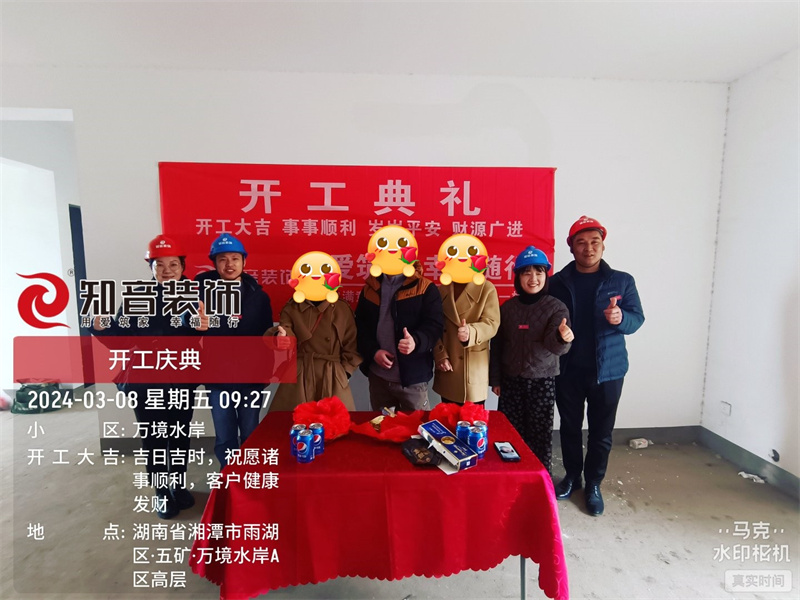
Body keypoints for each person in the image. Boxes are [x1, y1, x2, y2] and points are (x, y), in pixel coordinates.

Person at [92, 235, 207, 519]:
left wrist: (203, 326)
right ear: (151, 267)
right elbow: (120, 340)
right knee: (154, 438)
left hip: (182, 379)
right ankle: (161, 492)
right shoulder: (137, 297)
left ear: (183, 267)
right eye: (160, 265)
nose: (167, 270)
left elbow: (202, 329)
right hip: (146, 382)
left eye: (173, 264)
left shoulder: (194, 296)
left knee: (179, 435)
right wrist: (103, 328)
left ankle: (177, 485)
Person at [549, 216, 644, 516]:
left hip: (609, 371)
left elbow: (637, 319)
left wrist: (621, 318)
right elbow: (546, 321)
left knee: (601, 433)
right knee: (569, 428)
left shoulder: (622, 281)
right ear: (571, 247)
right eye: (581, 243)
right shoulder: (557, 283)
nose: (588, 248)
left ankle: (593, 484)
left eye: (594, 242)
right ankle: (572, 477)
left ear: (603, 246)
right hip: (568, 370)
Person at [489, 246, 573, 474]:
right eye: (526, 272)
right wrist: (495, 379)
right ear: (518, 277)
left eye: (539, 272)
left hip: (541, 382)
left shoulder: (556, 307)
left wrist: (562, 337)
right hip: (510, 381)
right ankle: (510, 477)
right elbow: (497, 345)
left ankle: (538, 479)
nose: (533, 278)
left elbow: (554, 346)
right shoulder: (508, 308)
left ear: (546, 275)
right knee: (509, 435)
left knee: (539, 435)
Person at [196, 234, 273, 468]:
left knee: (250, 432)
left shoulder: (259, 297)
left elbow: (266, 336)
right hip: (218, 378)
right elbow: (186, 324)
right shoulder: (200, 294)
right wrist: (193, 322)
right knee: (225, 435)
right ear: (214, 263)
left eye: (235, 258)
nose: (229, 264)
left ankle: (249, 475)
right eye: (222, 259)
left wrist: (266, 373)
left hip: (251, 379)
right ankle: (228, 477)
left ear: (244, 262)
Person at [267, 253, 362, 411]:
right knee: (295, 421)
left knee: (335, 422)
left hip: (332, 375)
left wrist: (345, 372)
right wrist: (281, 337)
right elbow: (286, 331)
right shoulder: (292, 308)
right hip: (300, 373)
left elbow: (352, 344)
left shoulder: (341, 309)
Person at [355, 261, 444, 412]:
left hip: (413, 379)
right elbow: (360, 327)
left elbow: (434, 326)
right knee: (381, 424)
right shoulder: (370, 287)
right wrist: (373, 352)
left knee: (417, 426)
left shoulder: (425, 288)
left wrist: (416, 341)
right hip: (378, 378)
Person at [433, 236, 500, 406]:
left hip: (473, 367)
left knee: (473, 419)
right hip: (448, 364)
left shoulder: (486, 289)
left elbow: (492, 323)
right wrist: (439, 355)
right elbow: (433, 326)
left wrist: (472, 332)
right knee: (446, 418)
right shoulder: (441, 290)